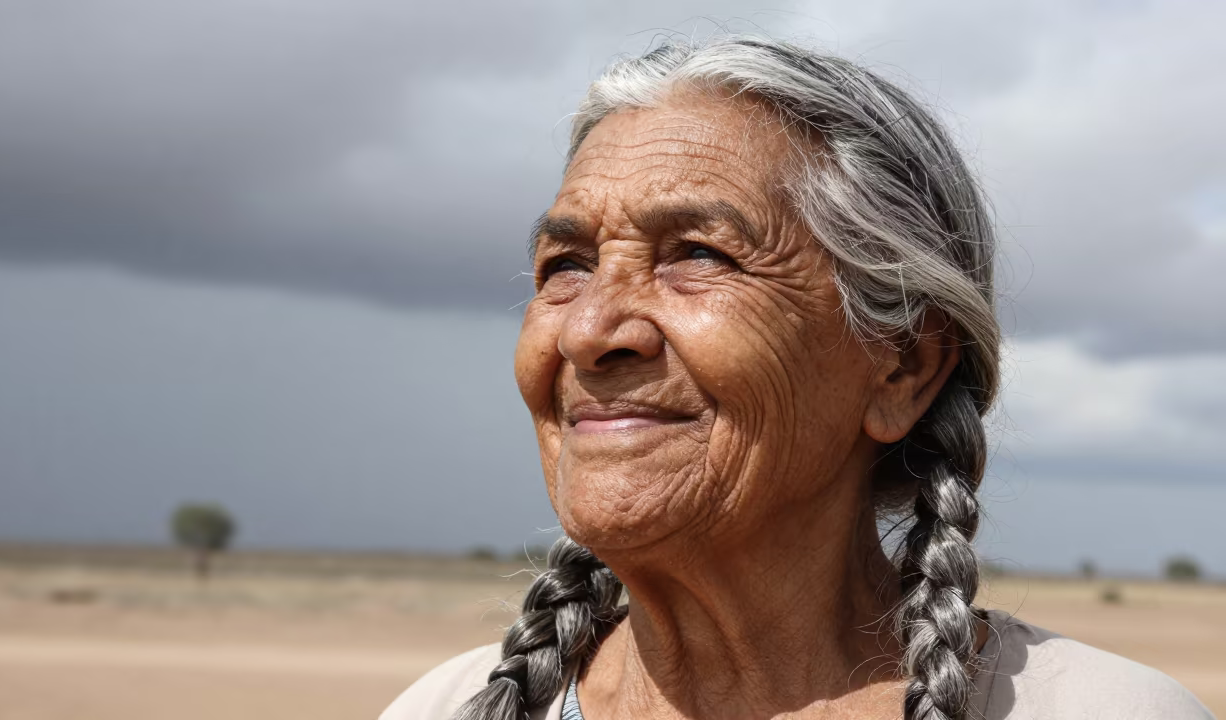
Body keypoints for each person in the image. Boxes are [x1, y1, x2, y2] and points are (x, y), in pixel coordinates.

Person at [382, 36, 1213, 720]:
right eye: (566, 265)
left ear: (904, 366)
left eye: (698, 255)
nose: (593, 331)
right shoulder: (446, 708)